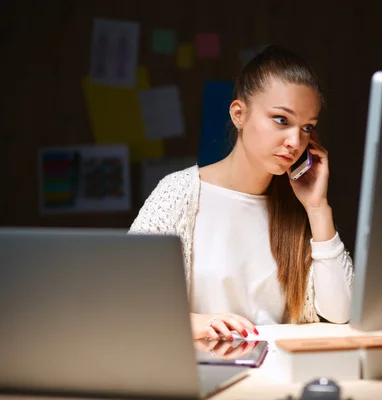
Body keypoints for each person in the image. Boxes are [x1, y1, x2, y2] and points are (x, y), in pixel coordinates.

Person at [129, 45, 354, 342]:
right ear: (239, 114)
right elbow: (128, 302)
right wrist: (192, 323)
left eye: (307, 128)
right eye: (281, 120)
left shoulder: (299, 207)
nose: (294, 141)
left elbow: (342, 313)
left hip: (281, 376)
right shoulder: (178, 194)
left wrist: (318, 208)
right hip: (202, 374)